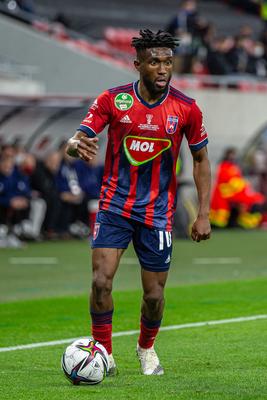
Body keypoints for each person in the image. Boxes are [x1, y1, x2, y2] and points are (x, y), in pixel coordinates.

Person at [66, 29, 211, 376]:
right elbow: (78, 137)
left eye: (168, 62)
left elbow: (202, 160)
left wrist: (203, 213)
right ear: (137, 64)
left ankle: (146, 348)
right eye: (154, 62)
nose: (162, 69)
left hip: (158, 214)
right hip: (114, 206)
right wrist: (74, 145)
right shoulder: (114, 101)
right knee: (101, 281)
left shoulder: (186, 108)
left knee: (154, 297)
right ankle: (104, 354)